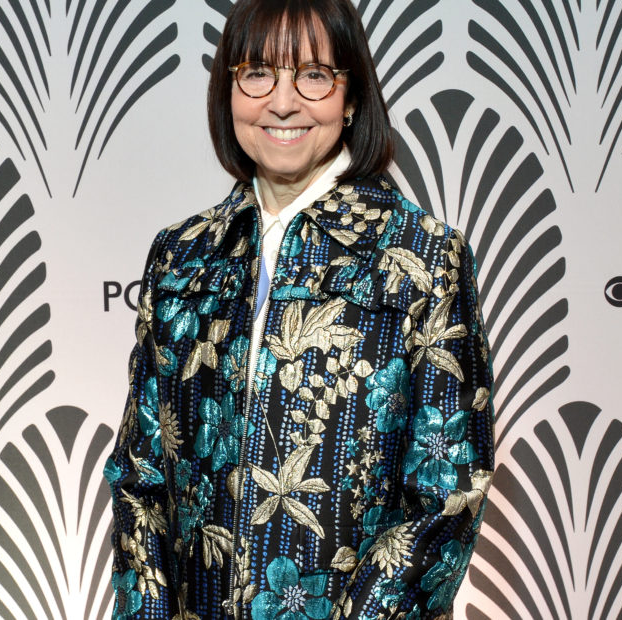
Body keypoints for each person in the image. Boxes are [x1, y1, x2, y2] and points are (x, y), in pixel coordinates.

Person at [105, 1, 495, 617]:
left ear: (352, 97)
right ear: (227, 93)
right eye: (257, 73)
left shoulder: (422, 256)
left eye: (313, 75)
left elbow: (447, 494)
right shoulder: (182, 256)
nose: (281, 102)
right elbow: (140, 476)